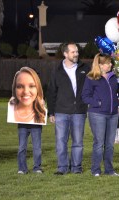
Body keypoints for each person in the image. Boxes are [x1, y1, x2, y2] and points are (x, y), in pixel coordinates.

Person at [47, 42, 90, 175]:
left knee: (78, 142)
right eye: (73, 52)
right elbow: (51, 91)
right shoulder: (57, 70)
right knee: (61, 141)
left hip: (79, 111)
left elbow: (92, 85)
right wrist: (51, 112)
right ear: (65, 54)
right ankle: (62, 167)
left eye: (77, 51)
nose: (76, 54)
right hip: (61, 112)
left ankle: (76, 168)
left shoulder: (85, 68)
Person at [82, 53, 119, 176]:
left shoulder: (114, 77)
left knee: (110, 144)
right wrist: (98, 103)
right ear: (100, 65)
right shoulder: (91, 78)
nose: (111, 64)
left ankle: (109, 170)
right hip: (97, 114)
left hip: (113, 114)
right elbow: (85, 96)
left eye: (111, 62)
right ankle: (95, 170)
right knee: (99, 143)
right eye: (108, 63)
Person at [9, 66, 47, 174]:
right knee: (22, 147)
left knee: (37, 147)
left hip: (35, 123)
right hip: (23, 124)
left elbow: (41, 104)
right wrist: (13, 101)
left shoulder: (38, 91)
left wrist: (43, 104)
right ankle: (22, 168)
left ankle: (37, 167)